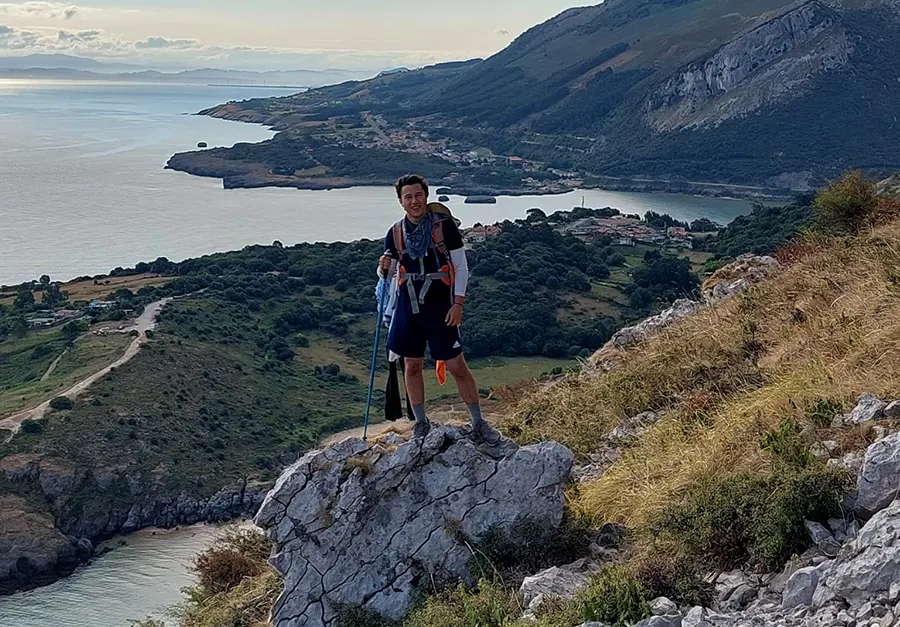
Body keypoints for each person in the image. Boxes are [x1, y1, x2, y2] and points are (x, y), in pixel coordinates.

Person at [377, 174, 502, 445]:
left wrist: (458, 304)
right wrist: (382, 268)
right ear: (400, 201)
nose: (414, 201)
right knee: (411, 366)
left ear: (426, 195)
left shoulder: (443, 228)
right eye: (408, 197)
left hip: (440, 307)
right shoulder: (395, 233)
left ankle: (479, 423)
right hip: (408, 308)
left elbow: (460, 266)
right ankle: (421, 423)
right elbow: (390, 271)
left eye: (418, 195)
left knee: (457, 365)